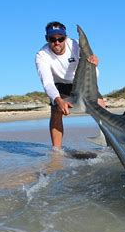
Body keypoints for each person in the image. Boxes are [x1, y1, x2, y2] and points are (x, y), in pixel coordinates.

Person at [35, 21, 104, 149]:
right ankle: (57, 150)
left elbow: (91, 69)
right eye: (52, 39)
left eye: (60, 39)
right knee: (56, 111)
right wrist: (58, 100)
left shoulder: (74, 45)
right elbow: (48, 83)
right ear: (47, 39)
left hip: (80, 82)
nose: (57, 42)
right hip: (60, 85)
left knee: (101, 104)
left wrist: (94, 64)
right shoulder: (42, 55)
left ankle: (107, 141)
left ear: (65, 38)